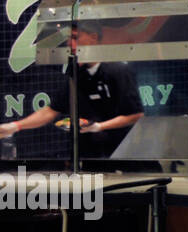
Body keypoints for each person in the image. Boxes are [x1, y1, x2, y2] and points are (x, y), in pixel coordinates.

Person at [0, 27, 143, 159]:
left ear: (93, 37)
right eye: (69, 38)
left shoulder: (118, 71)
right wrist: (15, 126)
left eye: (76, 37)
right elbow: (50, 111)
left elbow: (135, 115)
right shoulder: (76, 75)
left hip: (122, 153)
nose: (70, 43)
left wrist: (100, 127)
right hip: (88, 156)